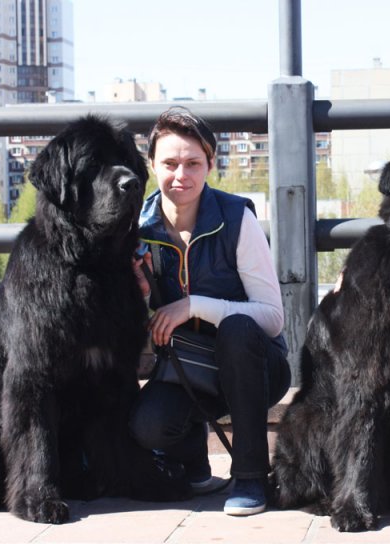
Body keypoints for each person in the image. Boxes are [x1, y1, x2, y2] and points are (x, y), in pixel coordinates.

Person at [129, 106, 291, 516]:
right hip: (188, 367)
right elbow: (146, 323)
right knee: (147, 425)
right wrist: (142, 296)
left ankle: (251, 475)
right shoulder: (139, 229)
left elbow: (272, 317)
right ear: (151, 165)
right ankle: (194, 466)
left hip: (255, 365)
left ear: (210, 165)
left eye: (192, 163)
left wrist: (194, 306)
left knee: (237, 328)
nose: (180, 175)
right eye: (169, 163)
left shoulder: (236, 218)